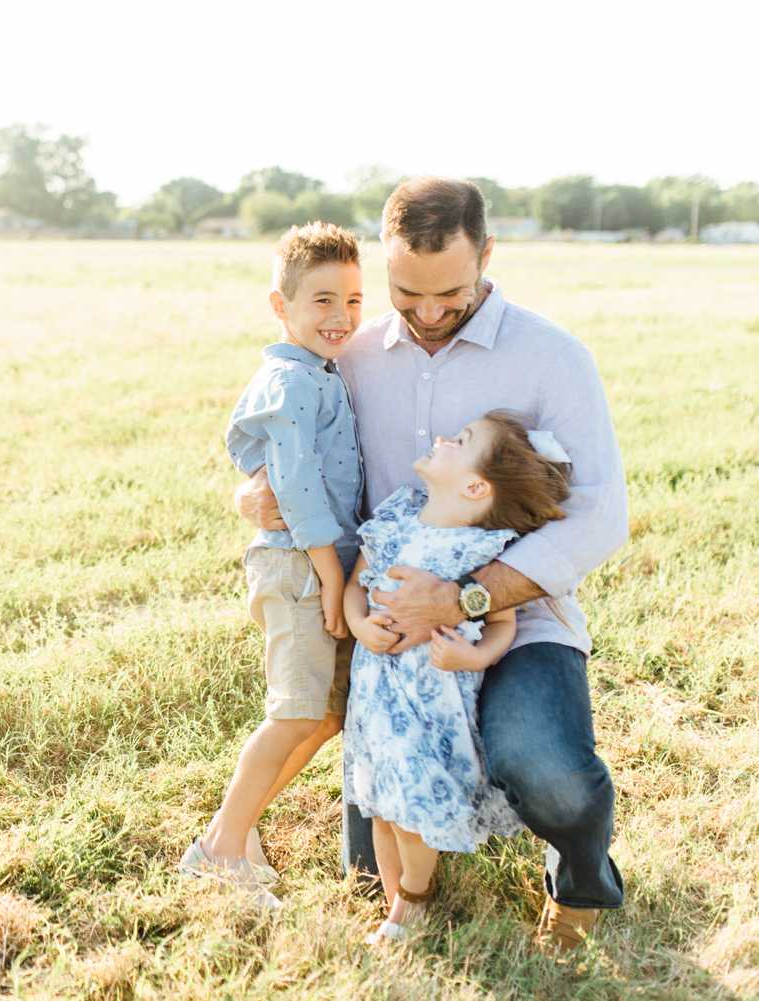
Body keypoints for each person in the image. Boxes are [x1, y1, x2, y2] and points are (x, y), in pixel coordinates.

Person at [237, 177, 628, 951]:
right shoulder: (352, 356)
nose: (424, 312)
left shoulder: (554, 358)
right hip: (390, 626)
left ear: (487, 254)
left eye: (449, 291)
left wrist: (464, 599)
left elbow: (601, 518)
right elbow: (292, 455)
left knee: (545, 769)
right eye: (403, 292)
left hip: (514, 617)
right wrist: (253, 497)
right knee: (367, 857)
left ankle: (579, 879)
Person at [179, 222, 364, 908]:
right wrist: (333, 573)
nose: (340, 316)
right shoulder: (288, 381)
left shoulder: (319, 373)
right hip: (298, 568)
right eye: (321, 299)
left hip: (318, 563)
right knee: (293, 712)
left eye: (352, 298)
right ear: (279, 305)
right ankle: (218, 848)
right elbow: (295, 488)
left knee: (320, 714)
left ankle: (238, 829)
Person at [344, 411, 572, 944]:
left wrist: (473, 659)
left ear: (474, 486)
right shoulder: (398, 518)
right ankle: (397, 904)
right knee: (380, 804)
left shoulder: (476, 551)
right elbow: (358, 586)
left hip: (431, 704)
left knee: (411, 807)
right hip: (377, 691)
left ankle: (414, 902)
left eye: (461, 440)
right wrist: (359, 625)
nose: (445, 438)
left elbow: (500, 626)